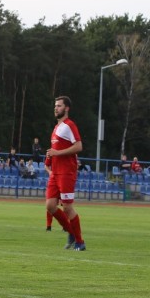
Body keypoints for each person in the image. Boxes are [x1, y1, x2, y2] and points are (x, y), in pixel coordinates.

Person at [45, 96, 86, 251]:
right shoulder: (56, 128)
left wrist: (57, 152)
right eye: (55, 105)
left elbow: (79, 146)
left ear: (66, 108)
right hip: (55, 172)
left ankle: (80, 242)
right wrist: (51, 154)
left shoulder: (70, 125)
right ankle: (71, 232)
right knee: (50, 205)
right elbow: (56, 151)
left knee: (67, 208)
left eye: (59, 106)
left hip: (66, 172)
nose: (56, 108)